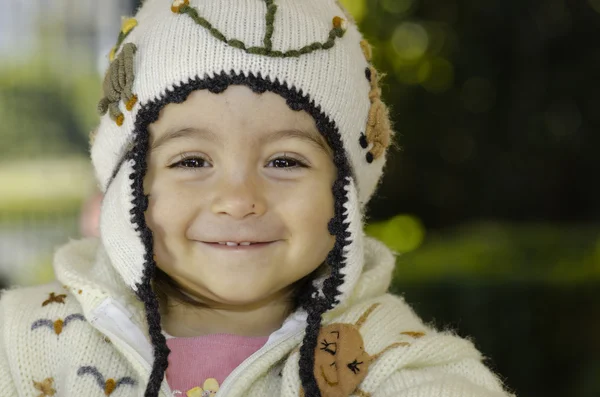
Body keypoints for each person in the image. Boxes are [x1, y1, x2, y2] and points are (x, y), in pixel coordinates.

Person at [0, 1, 516, 396]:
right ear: (128, 183)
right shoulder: (24, 341)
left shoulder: (386, 355)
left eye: (285, 161)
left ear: (344, 193)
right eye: (192, 161)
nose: (239, 199)